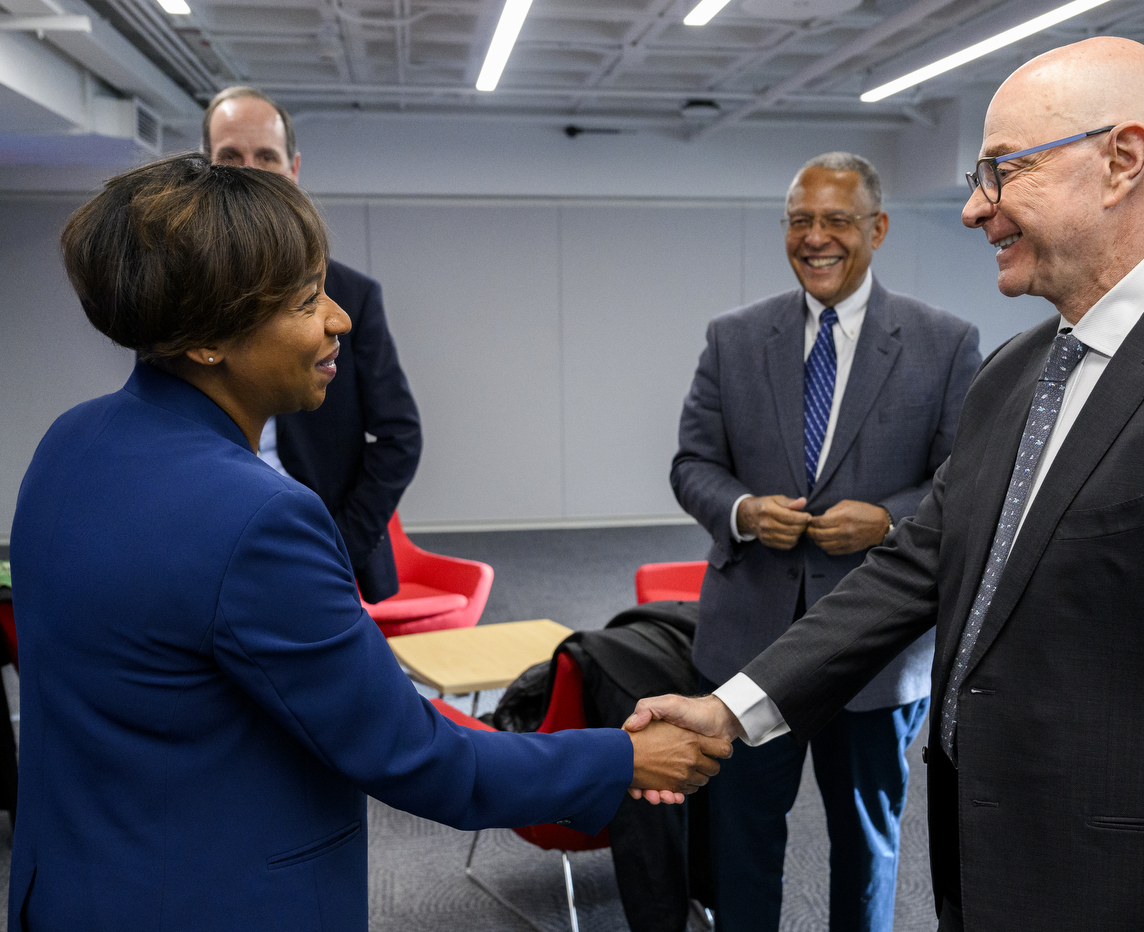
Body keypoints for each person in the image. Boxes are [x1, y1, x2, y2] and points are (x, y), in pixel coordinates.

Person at [628, 37, 1144, 932]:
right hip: (986, 862)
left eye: (1003, 172)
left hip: (1126, 892)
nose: (974, 209)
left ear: (1122, 161)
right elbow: (918, 567)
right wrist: (730, 710)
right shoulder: (1019, 370)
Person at [6, 154, 730, 931]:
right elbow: (416, 758)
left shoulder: (69, 442)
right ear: (210, 340)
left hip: (70, 890)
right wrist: (623, 757)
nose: (338, 319)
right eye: (306, 300)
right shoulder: (257, 518)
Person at [671, 151, 979, 932]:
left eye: (836, 220)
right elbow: (691, 463)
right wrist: (742, 509)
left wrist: (888, 520)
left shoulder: (944, 344)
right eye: (801, 221)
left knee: (865, 843)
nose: (816, 238)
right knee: (741, 841)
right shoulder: (734, 338)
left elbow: (965, 480)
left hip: (875, 651)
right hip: (747, 643)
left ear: (875, 229)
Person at [204, 86, 419, 603]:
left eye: (267, 157)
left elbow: (400, 438)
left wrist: (342, 545)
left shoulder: (352, 296)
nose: (249, 171)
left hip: (321, 547)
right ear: (205, 167)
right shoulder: (185, 298)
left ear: (293, 168)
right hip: (210, 541)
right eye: (229, 157)